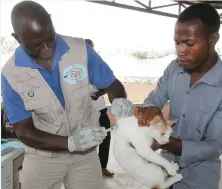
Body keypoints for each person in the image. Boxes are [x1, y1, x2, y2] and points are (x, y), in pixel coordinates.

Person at [1, 1, 127, 189]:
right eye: (36, 45)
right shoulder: (11, 74)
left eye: (49, 38)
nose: (46, 48)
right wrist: (71, 143)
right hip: (42, 158)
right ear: (17, 38)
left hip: (85, 157)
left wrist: (119, 100)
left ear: (51, 22)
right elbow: (24, 131)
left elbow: (113, 85)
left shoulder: (81, 50)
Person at [132, 3, 222, 189]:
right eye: (177, 42)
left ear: (213, 39)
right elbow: (154, 99)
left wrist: (164, 143)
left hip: (199, 179)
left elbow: (214, 146)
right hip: (163, 173)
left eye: (189, 43)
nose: (181, 50)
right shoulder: (174, 69)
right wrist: (149, 110)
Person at [85, 39, 114, 177]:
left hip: (101, 109)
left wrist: (99, 93)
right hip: (85, 112)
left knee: (106, 138)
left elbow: (108, 84)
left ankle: (103, 166)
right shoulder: (75, 68)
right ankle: (87, 170)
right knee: (88, 140)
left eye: (91, 49)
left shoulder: (98, 66)